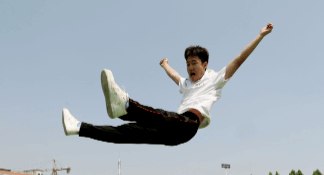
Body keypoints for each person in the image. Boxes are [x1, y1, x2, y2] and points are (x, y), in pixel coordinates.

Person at [62, 24, 274, 146]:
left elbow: (239, 59)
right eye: (188, 64)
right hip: (172, 134)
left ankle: (125, 106)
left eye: (194, 63)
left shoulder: (214, 79)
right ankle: (79, 128)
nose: (190, 68)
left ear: (205, 65)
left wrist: (260, 36)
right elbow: (175, 76)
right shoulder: (186, 83)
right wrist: (166, 65)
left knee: (162, 115)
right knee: (127, 134)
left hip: (188, 124)